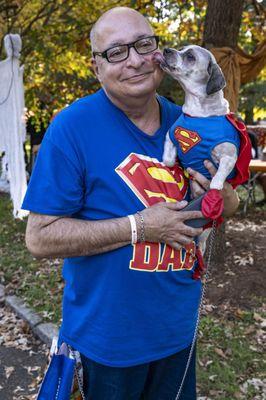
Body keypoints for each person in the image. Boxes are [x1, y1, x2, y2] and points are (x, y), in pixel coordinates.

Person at [22, 7, 239, 400]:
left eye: (144, 44)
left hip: (178, 334)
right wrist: (140, 226)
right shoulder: (72, 128)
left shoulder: (190, 124)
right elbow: (39, 238)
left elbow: (231, 204)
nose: (136, 60)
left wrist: (221, 195)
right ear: (95, 67)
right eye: (117, 51)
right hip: (106, 343)